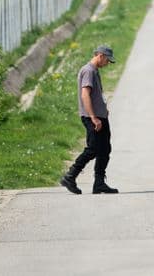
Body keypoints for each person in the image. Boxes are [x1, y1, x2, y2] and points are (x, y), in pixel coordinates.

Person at [60, 45, 119, 195]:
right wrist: (93, 117)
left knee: (105, 149)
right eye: (107, 60)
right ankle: (70, 176)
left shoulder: (94, 71)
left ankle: (99, 183)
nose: (107, 64)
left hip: (100, 117)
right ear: (100, 56)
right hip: (92, 118)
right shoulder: (89, 71)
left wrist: (103, 111)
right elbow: (85, 95)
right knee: (93, 148)